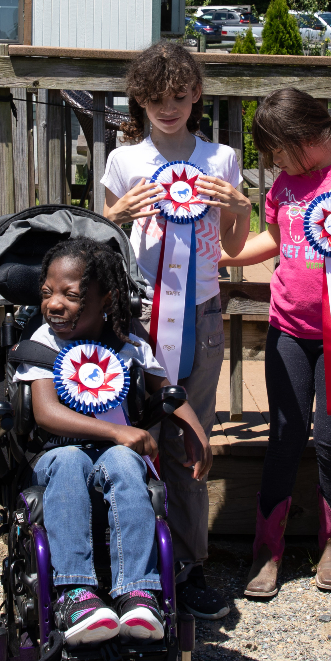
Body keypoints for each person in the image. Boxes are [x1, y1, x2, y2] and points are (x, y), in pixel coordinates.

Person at [221, 87, 331, 598]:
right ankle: (268, 548)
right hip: (288, 328)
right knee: (283, 434)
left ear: (304, 137)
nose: (274, 160)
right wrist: (225, 257)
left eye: (277, 149)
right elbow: (278, 240)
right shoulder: (286, 181)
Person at [101, 41, 250, 620]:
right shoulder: (123, 161)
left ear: (196, 97)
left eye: (180, 97)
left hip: (202, 315)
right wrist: (117, 215)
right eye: (157, 98)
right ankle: (134, 566)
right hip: (136, 316)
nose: (169, 108)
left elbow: (235, 245)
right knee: (135, 438)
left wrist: (239, 204)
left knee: (193, 439)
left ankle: (189, 566)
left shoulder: (222, 158)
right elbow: (103, 243)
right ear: (139, 99)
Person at [13, 238, 213, 644]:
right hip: (56, 455)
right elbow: (46, 413)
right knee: (72, 460)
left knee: (126, 463)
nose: (55, 304)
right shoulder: (44, 346)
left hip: (115, 456)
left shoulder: (129, 346)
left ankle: (138, 594)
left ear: (106, 298)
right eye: (47, 293)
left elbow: (166, 389)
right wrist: (116, 431)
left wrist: (195, 432)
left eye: (71, 295)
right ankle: (75, 593)